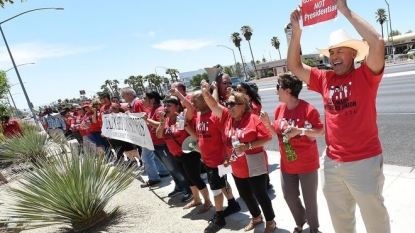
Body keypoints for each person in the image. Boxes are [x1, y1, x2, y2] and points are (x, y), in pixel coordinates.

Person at [287, 1, 390, 232]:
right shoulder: (325, 79)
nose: (334, 56)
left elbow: (377, 43)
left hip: (364, 162)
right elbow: (293, 65)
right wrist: (297, 33)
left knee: (376, 221)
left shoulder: (366, 74)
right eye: (331, 51)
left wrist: (344, 10)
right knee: (341, 223)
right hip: (332, 164)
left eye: (340, 50)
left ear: (354, 53)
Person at [201, 80, 277, 233]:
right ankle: (256, 217)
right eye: (227, 104)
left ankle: (270, 221)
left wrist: (248, 146)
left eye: (232, 104)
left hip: (254, 163)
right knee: (244, 194)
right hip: (237, 165)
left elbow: (267, 138)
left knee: (260, 194)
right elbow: (214, 105)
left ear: (242, 106)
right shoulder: (226, 118)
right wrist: (205, 93)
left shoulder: (253, 119)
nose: (228, 107)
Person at [260, 73, 324, 233]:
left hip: (307, 162)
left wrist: (300, 131)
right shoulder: (279, 109)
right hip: (287, 163)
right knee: (289, 196)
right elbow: (279, 133)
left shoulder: (308, 109)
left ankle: (314, 228)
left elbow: (320, 131)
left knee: (310, 199)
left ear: (287, 90)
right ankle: (301, 219)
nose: (276, 91)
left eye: (278, 87)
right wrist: (268, 124)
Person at [189, 90, 241, 233]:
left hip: (218, 160)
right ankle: (232, 203)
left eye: (195, 100)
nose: (193, 103)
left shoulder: (216, 115)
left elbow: (226, 137)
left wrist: (226, 157)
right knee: (222, 183)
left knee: (216, 189)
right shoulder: (199, 115)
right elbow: (200, 136)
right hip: (207, 159)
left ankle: (219, 217)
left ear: (206, 100)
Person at [156, 96, 212, 214]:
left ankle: (207, 201)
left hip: (189, 153)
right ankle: (196, 199)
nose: (166, 108)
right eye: (165, 105)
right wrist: (161, 121)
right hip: (176, 155)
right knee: (188, 179)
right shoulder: (165, 121)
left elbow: (191, 110)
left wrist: (177, 94)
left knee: (195, 178)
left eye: (169, 105)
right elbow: (159, 135)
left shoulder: (182, 118)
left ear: (177, 107)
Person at [141, 91, 192, 200]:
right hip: (157, 143)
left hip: (163, 145)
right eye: (166, 105)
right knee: (171, 169)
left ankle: (187, 189)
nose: (142, 100)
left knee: (174, 169)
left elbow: (164, 127)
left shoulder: (160, 111)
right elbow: (160, 129)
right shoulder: (153, 111)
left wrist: (148, 120)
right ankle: (179, 187)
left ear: (152, 99)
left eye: (144, 98)